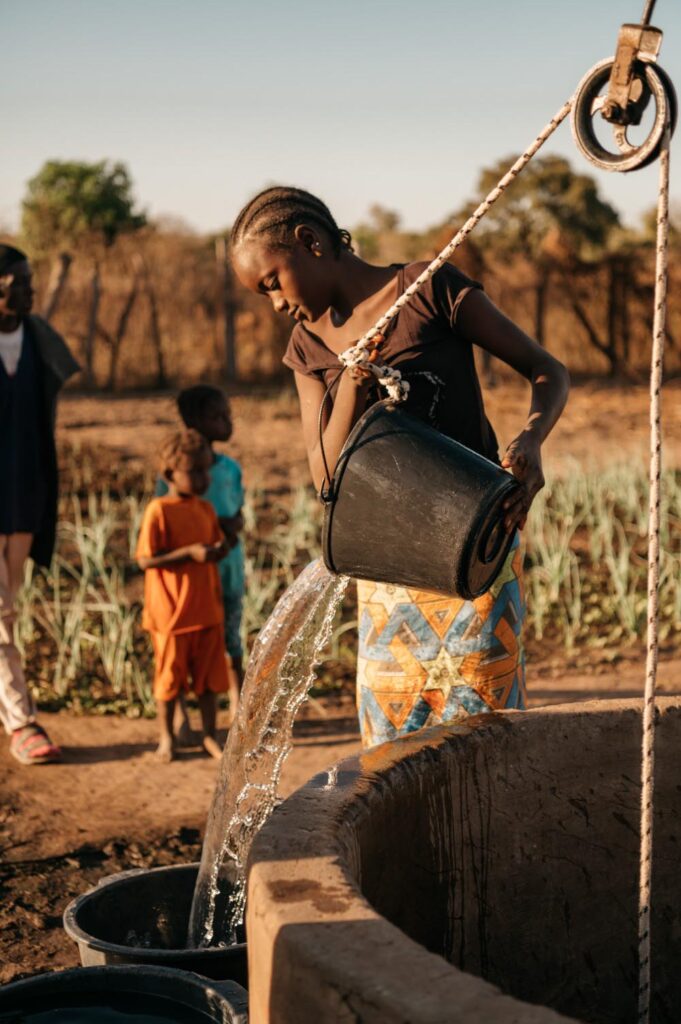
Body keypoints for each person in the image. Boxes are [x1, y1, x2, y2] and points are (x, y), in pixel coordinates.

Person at [230, 186, 570, 748]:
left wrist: (531, 440)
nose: (274, 304)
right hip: (389, 568)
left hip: (476, 551)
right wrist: (352, 390)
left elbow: (546, 369)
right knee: (391, 751)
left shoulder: (427, 289)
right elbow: (326, 479)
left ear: (309, 242)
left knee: (484, 741)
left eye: (272, 283)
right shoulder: (307, 347)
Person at [0, 243, 79, 765]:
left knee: (8, 606)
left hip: (25, 495)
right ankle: (21, 720)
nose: (31, 289)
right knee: (1, 612)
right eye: (21, 282)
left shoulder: (38, 341)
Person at [136, 429, 230, 761]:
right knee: (169, 680)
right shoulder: (158, 511)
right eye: (195, 472)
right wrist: (190, 552)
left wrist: (219, 548)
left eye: (206, 470)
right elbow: (146, 559)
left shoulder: (205, 509)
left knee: (207, 682)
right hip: (171, 616)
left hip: (206, 611)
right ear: (169, 474)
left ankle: (210, 736)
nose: (204, 478)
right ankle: (167, 739)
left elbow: (215, 548)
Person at [157, 385, 245, 734]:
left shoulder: (230, 468)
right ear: (193, 421)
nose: (227, 423)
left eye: (228, 415)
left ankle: (239, 705)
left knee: (231, 634)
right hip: (190, 575)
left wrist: (232, 525)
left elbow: (238, 511)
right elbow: (168, 515)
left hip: (227, 566)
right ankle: (182, 715)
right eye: (217, 416)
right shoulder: (174, 471)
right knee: (184, 643)